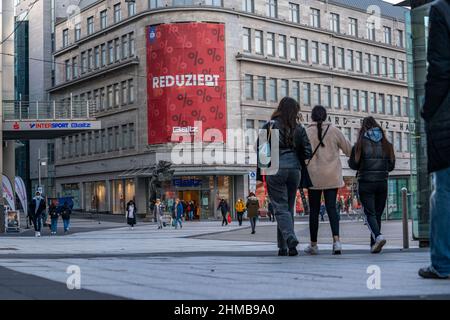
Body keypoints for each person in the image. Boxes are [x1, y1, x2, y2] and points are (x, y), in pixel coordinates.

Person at [257, 97, 312, 256]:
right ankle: (285, 247)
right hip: (295, 170)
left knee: (280, 208)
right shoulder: (299, 128)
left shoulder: (270, 126)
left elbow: (262, 153)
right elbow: (307, 151)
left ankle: (289, 238)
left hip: (275, 169)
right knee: (287, 209)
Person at [419, 0, 450, 279]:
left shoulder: (443, 10)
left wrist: (427, 110)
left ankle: (443, 263)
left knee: (445, 190)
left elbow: (439, 68)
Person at [305, 105, 352, 255]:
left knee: (314, 211)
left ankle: (313, 245)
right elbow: (349, 150)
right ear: (326, 116)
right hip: (332, 176)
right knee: (332, 208)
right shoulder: (334, 130)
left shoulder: (307, 132)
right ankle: (336, 242)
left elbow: (302, 153)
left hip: (313, 177)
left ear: (312, 117)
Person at [348, 117, 395, 253]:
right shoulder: (387, 144)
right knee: (377, 214)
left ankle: (378, 237)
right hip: (382, 183)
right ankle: (374, 244)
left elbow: (353, 165)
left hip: (366, 183)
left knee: (370, 214)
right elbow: (391, 166)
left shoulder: (360, 144)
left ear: (364, 128)